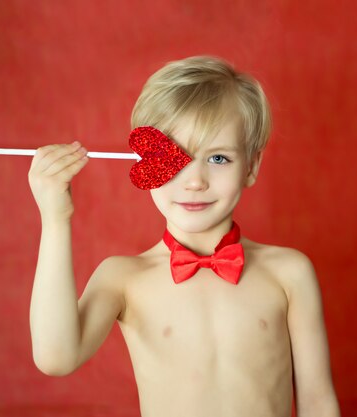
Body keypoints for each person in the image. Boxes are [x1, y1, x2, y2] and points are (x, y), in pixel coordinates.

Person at [28, 55, 340, 417]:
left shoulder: (289, 272)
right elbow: (56, 357)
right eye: (175, 159)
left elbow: (317, 401)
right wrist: (55, 219)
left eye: (218, 158)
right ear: (143, 163)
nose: (195, 181)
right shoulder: (123, 278)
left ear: (252, 166)